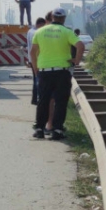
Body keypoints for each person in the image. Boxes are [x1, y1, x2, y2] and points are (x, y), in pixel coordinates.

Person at [30, 8, 84, 140]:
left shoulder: (40, 31)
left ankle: (39, 129)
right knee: (60, 102)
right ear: (64, 18)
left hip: (44, 72)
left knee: (43, 101)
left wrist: (36, 69)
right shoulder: (67, 32)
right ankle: (57, 130)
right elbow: (80, 45)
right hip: (62, 72)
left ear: (52, 17)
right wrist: (76, 61)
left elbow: (32, 52)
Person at [27, 17, 46, 106]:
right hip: (37, 60)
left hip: (32, 59)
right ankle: (38, 99)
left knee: (36, 79)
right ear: (39, 24)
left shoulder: (30, 31)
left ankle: (34, 99)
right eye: (42, 26)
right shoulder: (35, 33)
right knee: (38, 80)